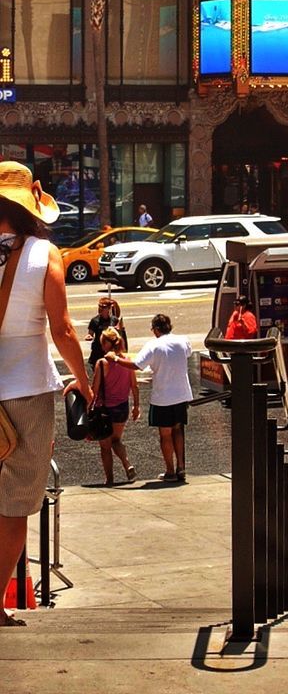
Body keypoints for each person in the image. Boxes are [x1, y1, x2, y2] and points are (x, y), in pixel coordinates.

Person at [0, 161, 91, 626]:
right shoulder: (44, 253)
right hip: (26, 392)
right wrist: (84, 379)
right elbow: (63, 329)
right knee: (14, 505)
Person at [107, 313, 192, 484]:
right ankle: (181, 467)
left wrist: (115, 359)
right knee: (178, 429)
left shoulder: (153, 345)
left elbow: (137, 364)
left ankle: (170, 470)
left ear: (156, 329)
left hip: (163, 396)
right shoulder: (183, 341)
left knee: (165, 434)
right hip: (182, 393)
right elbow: (187, 354)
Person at [90, 326, 139, 485]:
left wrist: (87, 406)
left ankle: (109, 479)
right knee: (116, 440)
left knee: (105, 446)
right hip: (122, 407)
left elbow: (94, 390)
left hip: (105, 410)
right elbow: (134, 386)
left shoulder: (102, 363)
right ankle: (127, 464)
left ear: (105, 344)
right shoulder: (127, 361)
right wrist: (136, 406)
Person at [86, 297, 128, 368]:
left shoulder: (114, 320)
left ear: (109, 308)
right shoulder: (95, 321)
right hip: (98, 350)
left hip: (111, 350)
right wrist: (89, 336)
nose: (101, 309)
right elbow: (90, 333)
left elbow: (120, 334)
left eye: (104, 307)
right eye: (100, 306)